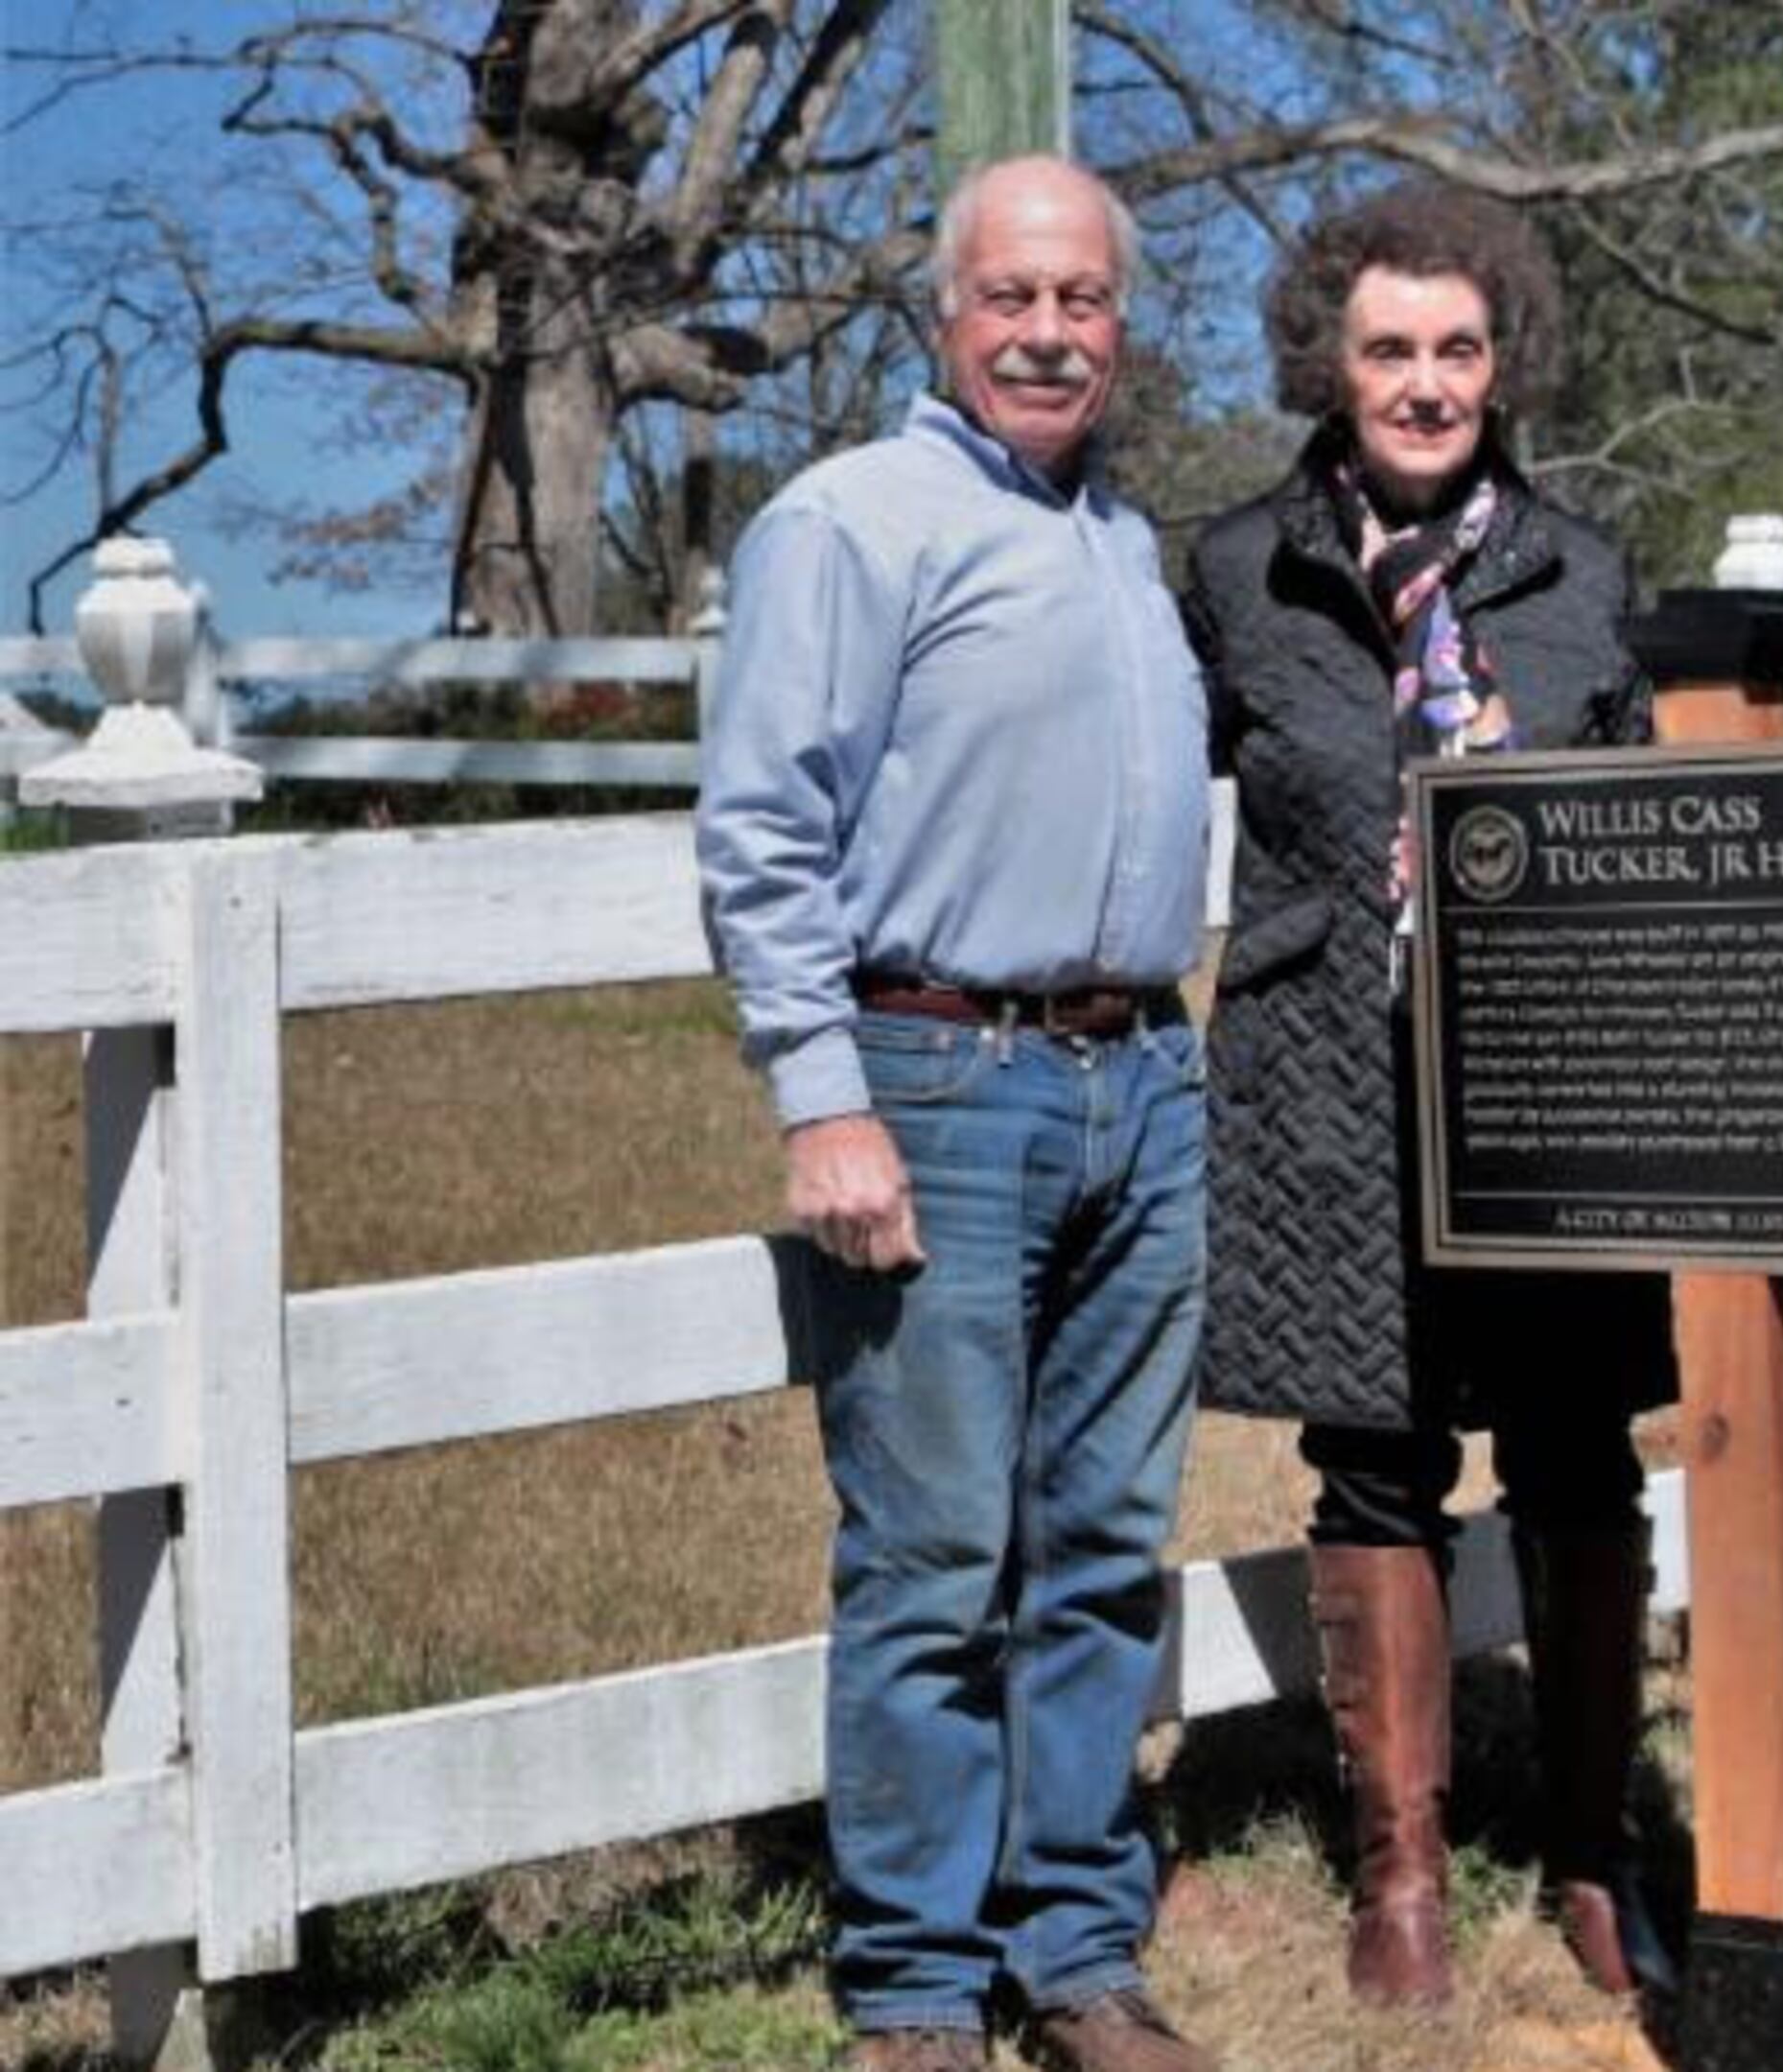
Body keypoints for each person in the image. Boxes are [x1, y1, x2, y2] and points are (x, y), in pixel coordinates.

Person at [693, 157, 1215, 2072]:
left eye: (1081, 299)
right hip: (940, 1077)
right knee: (930, 1558)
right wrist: (822, 1096)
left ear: (1123, 325)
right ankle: (914, 1986)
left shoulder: (1124, 543)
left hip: (1142, 1078)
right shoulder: (850, 522)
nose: (1049, 330)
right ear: (947, 317)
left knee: (1102, 1543)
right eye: (1011, 297)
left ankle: (1075, 1953)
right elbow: (762, 828)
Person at [1181, 181, 1676, 2011]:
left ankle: (1593, 1852)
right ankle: (1396, 1875)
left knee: (1574, 1449)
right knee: (1371, 1458)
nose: (1423, 381)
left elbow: (1655, 826)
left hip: (1545, 1086)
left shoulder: (1584, 575)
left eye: (1457, 349)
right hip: (1328, 1085)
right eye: (1389, 348)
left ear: (1505, 364)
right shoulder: (1238, 572)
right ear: (1332, 357)